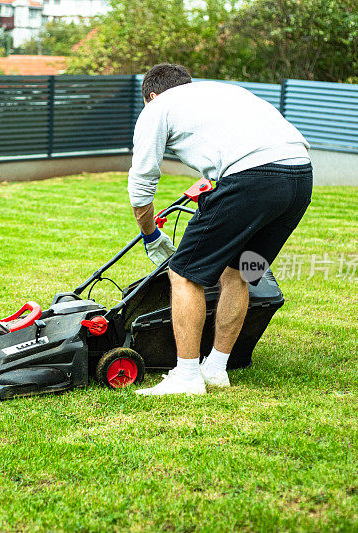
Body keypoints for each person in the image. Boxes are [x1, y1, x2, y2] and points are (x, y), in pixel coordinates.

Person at [129, 63, 313, 396]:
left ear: (152, 96)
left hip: (254, 178)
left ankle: (186, 377)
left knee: (184, 274)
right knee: (240, 272)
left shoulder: (157, 108)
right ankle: (215, 368)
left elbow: (141, 187)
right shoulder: (223, 91)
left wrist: (150, 235)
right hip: (300, 179)